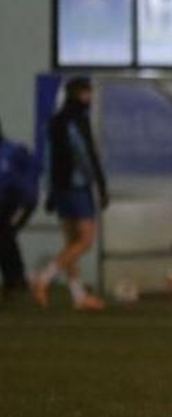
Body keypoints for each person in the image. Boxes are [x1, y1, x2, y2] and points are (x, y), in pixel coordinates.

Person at [33, 77, 107, 310]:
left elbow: (48, 157)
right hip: (77, 186)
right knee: (85, 240)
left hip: (60, 187)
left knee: (71, 243)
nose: (90, 97)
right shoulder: (76, 120)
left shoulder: (55, 121)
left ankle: (78, 296)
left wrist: (50, 190)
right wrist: (98, 182)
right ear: (80, 94)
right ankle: (44, 278)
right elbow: (82, 153)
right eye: (87, 93)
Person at [0, 121, 41, 300]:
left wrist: (28, 198)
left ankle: (16, 281)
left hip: (18, 204)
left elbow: (34, 171)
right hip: (4, 205)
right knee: (5, 237)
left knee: (5, 235)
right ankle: (14, 281)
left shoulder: (15, 151)